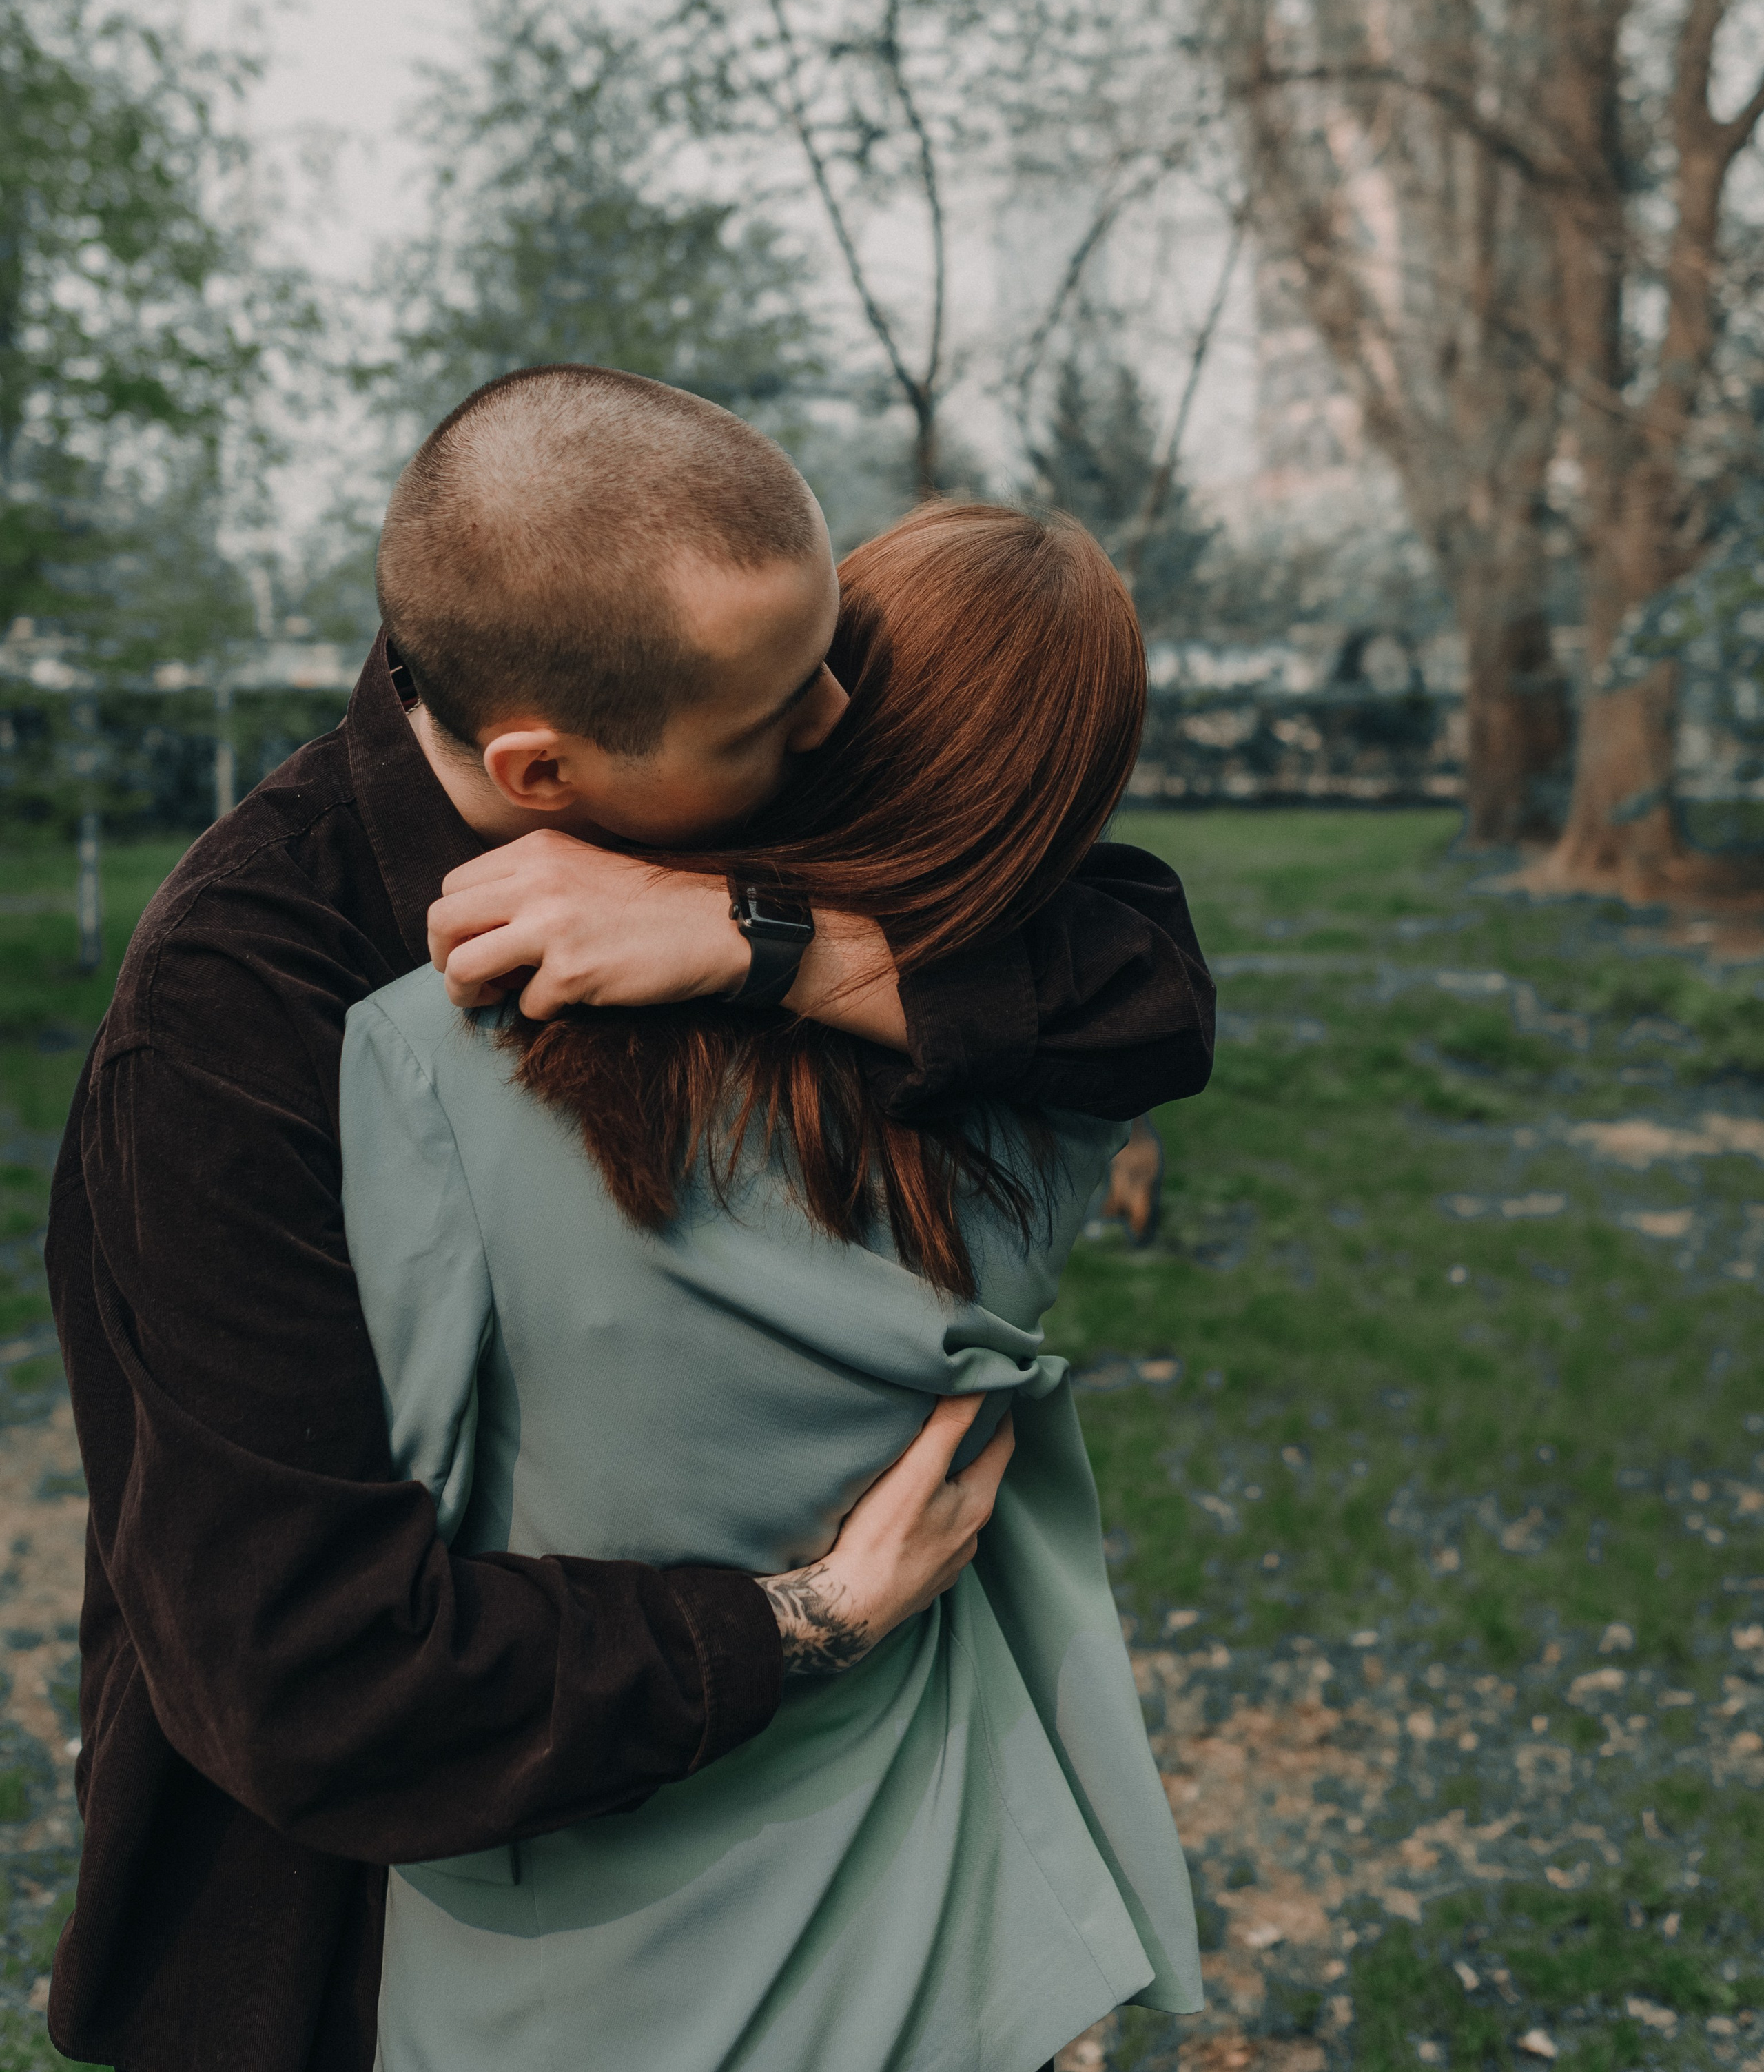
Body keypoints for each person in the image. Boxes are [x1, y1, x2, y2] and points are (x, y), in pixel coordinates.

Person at [45, 365, 1213, 2072]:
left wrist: (767, 937)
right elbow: (305, 1671)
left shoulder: (712, 765)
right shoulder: (235, 1024)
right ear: (543, 768)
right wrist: (812, 1614)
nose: (837, 722)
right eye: (776, 718)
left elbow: (1140, 979)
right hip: (339, 1944)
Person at [344, 495, 1204, 2071]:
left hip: (564, 1926)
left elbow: (394, 1489)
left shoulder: (433, 1049)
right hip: (925, 1912)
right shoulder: (1055, 1101)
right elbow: (1139, 961)